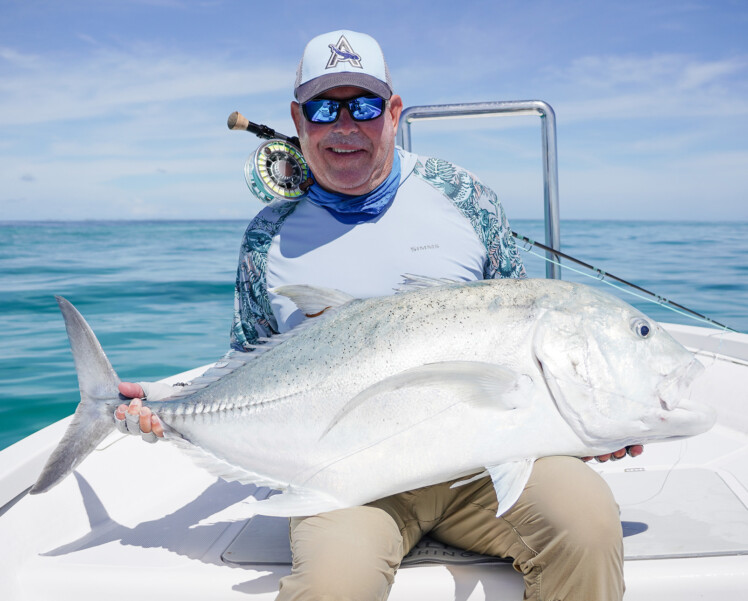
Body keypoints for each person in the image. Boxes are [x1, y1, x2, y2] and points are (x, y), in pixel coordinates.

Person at [116, 30, 642, 601]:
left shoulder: (465, 198)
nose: (345, 126)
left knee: (587, 524)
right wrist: (175, 403)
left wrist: (589, 415)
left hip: (484, 463)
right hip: (349, 478)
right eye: (323, 108)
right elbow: (249, 359)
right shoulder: (267, 236)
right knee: (331, 588)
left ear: (393, 112)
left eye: (364, 105)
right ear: (298, 119)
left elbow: (517, 346)